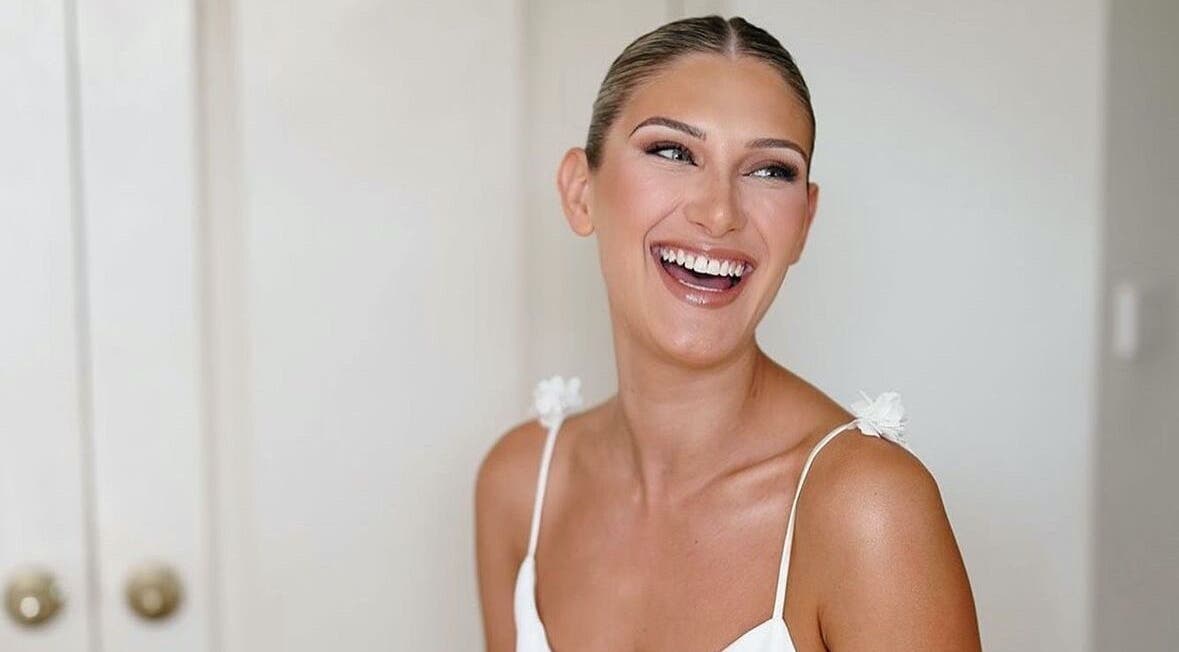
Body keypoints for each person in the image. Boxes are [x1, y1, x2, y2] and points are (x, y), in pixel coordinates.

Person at [475, 14, 981, 651]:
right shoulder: (521, 485)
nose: (719, 214)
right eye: (673, 152)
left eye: (769, 170)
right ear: (581, 192)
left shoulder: (867, 511)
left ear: (804, 223)